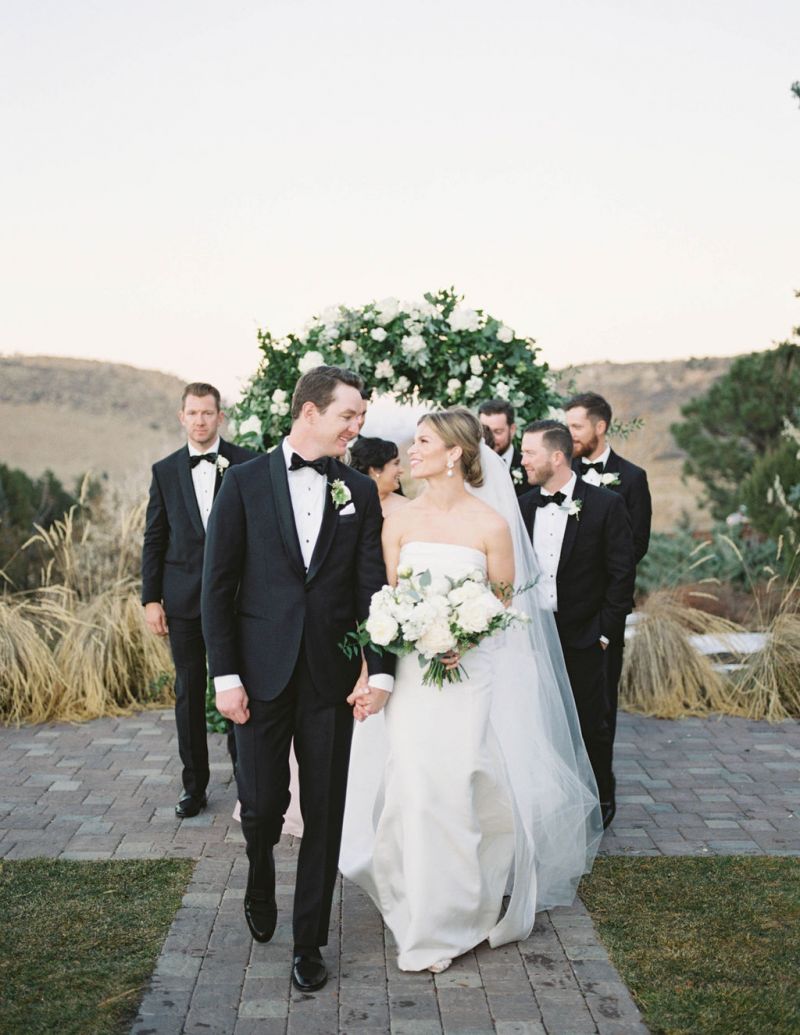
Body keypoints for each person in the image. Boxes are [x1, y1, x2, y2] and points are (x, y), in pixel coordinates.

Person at [340, 408, 602, 974]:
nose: (412, 451)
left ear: (454, 453)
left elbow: (505, 603)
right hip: (413, 678)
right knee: (414, 788)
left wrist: (464, 633)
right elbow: (384, 600)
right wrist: (383, 659)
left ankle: (456, 914)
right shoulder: (398, 520)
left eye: (424, 442)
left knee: (458, 787)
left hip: (469, 676)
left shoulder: (491, 524)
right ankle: (419, 913)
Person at [201, 365, 395, 994]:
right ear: (310, 412)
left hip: (329, 677)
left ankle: (309, 941)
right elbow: (217, 588)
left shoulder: (358, 493)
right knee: (261, 806)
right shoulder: (245, 482)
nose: (357, 427)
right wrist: (225, 676)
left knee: (325, 809)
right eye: (349, 416)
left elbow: (372, 587)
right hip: (257, 676)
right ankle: (259, 872)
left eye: (361, 418)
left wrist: (382, 669)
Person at [141, 382, 255, 819]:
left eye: (209, 413)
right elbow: (154, 539)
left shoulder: (248, 463)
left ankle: (249, 784)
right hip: (184, 600)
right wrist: (151, 599)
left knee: (239, 687)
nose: (201, 420)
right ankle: (195, 789)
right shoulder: (164, 471)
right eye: (194, 413)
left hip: (239, 600)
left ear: (220, 417)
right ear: (182, 417)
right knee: (189, 692)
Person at [518, 420, 635, 829]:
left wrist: (604, 633)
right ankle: (553, 807)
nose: (522, 459)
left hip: (585, 636)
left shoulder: (605, 505)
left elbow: (622, 576)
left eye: (529, 452)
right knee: (541, 725)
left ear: (556, 456)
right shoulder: (522, 505)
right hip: (532, 637)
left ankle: (600, 801)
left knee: (591, 725)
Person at [565, 392, 652, 757]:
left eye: (576, 426)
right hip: (564, 610)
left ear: (600, 427)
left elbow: (636, 545)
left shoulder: (631, 478)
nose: (569, 434)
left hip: (604, 610)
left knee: (601, 705)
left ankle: (601, 788)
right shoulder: (562, 472)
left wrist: (606, 607)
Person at [478, 398, 528, 496]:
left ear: (512, 430)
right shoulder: (470, 466)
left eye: (498, 432)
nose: (490, 438)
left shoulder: (527, 467)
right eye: (485, 431)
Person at [349, 436, 409, 516]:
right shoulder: (347, 504)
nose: (402, 470)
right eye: (396, 463)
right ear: (375, 470)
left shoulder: (406, 507)